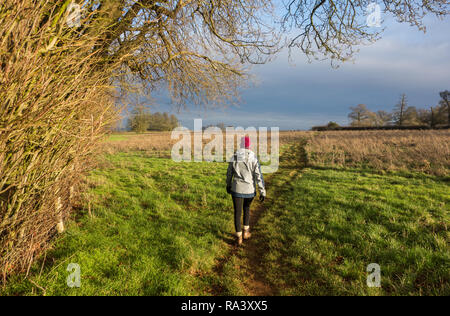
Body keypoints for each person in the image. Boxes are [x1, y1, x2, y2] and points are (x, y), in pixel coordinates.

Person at [226, 136, 266, 246]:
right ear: (249, 145)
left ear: (240, 144)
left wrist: (228, 185)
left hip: (237, 189)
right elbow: (258, 175)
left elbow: (229, 173)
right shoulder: (253, 157)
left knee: (237, 213)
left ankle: (238, 237)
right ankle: (246, 232)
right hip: (249, 190)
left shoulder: (234, 156)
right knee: (247, 208)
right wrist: (262, 191)